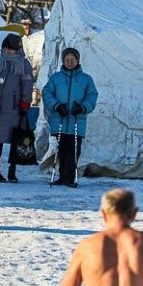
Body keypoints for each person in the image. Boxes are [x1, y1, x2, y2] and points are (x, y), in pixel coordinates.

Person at [42, 47, 99, 188]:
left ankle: (70, 177)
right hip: (60, 119)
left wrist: (82, 107)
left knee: (74, 150)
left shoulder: (86, 79)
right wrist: (56, 106)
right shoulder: (56, 78)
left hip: (77, 120)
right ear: (63, 61)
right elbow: (47, 93)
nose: (69, 62)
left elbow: (92, 96)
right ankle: (62, 176)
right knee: (62, 149)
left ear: (77, 60)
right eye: (67, 59)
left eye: (72, 59)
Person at [0, 33, 33, 183]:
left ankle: (12, 171)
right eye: (5, 49)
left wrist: (25, 104)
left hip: (14, 108)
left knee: (14, 139)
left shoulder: (23, 64)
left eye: (10, 49)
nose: (7, 52)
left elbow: (27, 86)